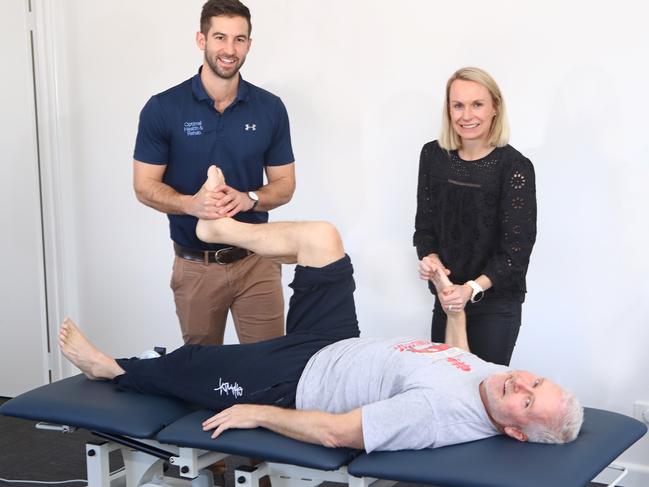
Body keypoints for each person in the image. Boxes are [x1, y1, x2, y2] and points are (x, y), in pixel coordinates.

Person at [61, 167, 581, 452]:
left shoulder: (437, 416)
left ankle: (111, 367)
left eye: (529, 403)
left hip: (294, 381)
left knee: (191, 363)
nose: (523, 386)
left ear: (515, 430)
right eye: (537, 383)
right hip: (336, 343)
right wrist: (456, 309)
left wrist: (261, 413)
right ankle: (216, 228)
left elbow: (339, 433)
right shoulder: (498, 379)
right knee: (322, 239)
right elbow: (460, 358)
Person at [132, 0, 295, 346]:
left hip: (257, 261)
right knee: (202, 378)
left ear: (249, 44)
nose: (229, 49)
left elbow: (285, 185)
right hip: (195, 266)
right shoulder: (163, 108)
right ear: (201, 39)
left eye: (239, 39)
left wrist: (249, 198)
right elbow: (144, 186)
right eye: (220, 37)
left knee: (268, 371)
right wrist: (191, 204)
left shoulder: (271, 108)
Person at [414, 67, 537, 366]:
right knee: (444, 389)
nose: (466, 115)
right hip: (448, 298)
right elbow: (424, 228)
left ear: (495, 108)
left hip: (495, 303)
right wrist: (431, 260)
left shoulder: (514, 167)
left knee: (484, 397)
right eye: (458, 105)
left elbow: (515, 252)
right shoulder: (433, 156)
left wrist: (471, 289)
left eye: (477, 104)